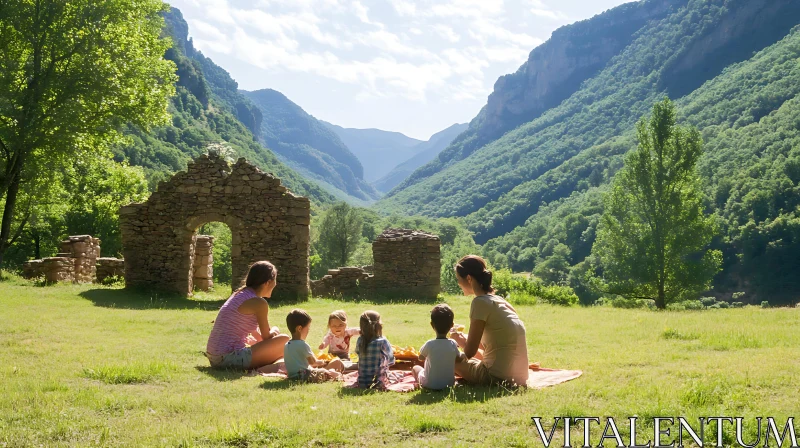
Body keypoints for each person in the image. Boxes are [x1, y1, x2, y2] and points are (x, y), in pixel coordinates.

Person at [449, 255, 530, 387]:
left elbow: (470, 352)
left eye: (459, 279)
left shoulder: (479, 302)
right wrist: (461, 338)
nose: (458, 283)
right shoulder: (500, 300)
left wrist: (454, 343)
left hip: (494, 376)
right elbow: (492, 341)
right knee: (479, 357)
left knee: (444, 359)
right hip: (520, 377)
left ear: (468, 278)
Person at [204, 261, 289, 370]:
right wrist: (274, 331)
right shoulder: (259, 303)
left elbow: (256, 334)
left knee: (280, 346)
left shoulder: (239, 294)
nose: (275, 284)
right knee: (285, 341)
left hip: (214, 357)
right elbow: (266, 337)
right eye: (275, 280)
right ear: (268, 282)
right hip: (227, 358)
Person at [412, 304, 465, 390]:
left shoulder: (429, 344)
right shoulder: (453, 344)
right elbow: (459, 359)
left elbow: (420, 358)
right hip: (449, 384)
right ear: (452, 325)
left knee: (416, 368)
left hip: (429, 384)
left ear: (432, 325)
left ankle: (418, 384)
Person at [284, 309, 344, 382]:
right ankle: (336, 376)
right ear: (299, 328)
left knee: (323, 369)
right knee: (330, 369)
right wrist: (323, 362)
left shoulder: (287, 345)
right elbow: (313, 362)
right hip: (304, 376)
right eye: (308, 328)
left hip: (292, 376)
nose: (308, 330)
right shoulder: (302, 344)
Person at [354, 310, 395, 389]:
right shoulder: (383, 341)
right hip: (378, 381)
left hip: (362, 381)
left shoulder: (360, 340)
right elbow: (391, 360)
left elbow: (358, 353)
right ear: (379, 325)